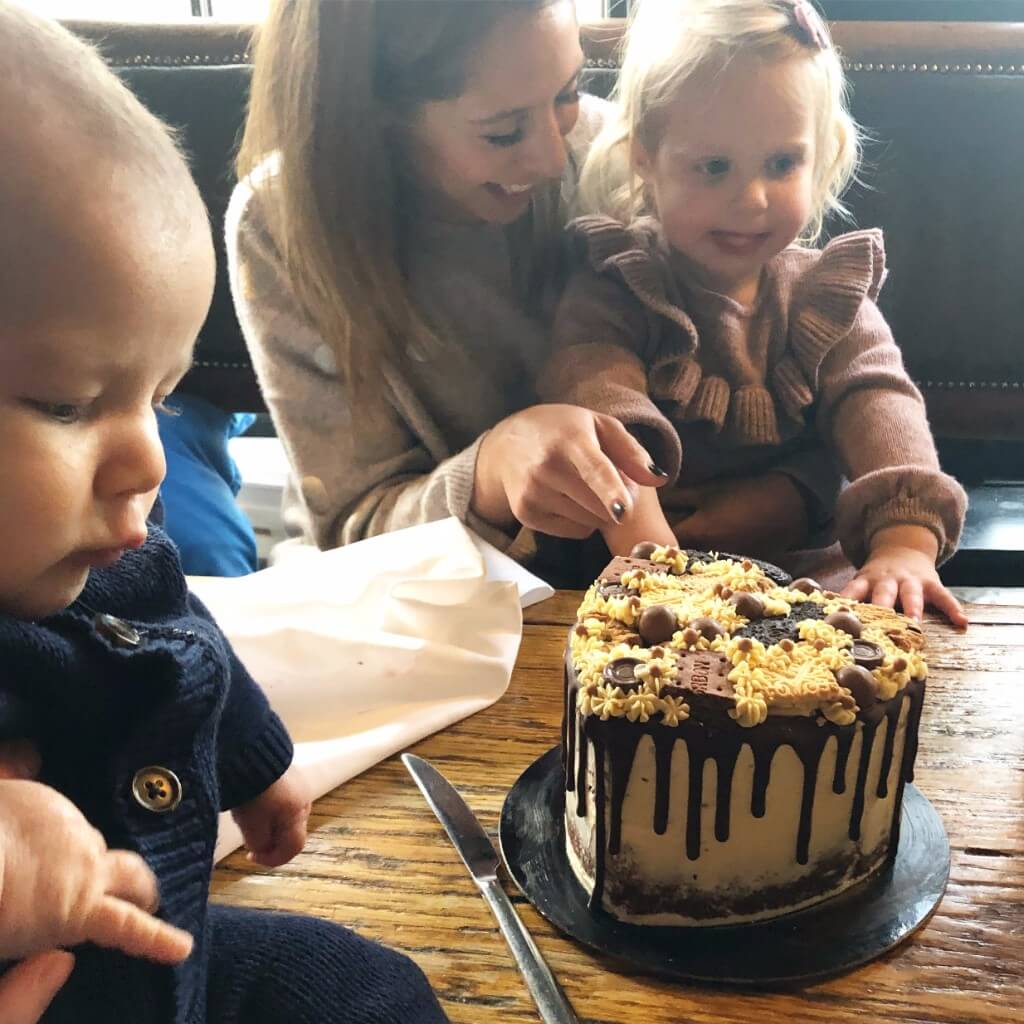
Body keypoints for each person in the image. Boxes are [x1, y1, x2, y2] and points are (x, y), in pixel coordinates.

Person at [0, 5, 449, 1021]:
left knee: (366, 989)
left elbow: (182, 631)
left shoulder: (106, 560)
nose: (146, 460)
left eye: (157, 397)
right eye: (69, 403)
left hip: (169, 958)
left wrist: (257, 762)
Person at [227, 0, 817, 586]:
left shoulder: (623, 152)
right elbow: (349, 528)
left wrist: (796, 491)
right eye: (503, 132)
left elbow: (789, 361)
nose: (554, 158)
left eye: (569, 91)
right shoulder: (282, 226)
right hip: (409, 601)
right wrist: (489, 474)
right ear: (370, 119)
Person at [541, 0, 968, 623]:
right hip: (632, 579)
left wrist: (904, 543)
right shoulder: (616, 283)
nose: (751, 199)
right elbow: (599, 402)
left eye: (781, 163)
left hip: (808, 589)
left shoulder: (827, 293)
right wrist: (654, 554)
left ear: (824, 153)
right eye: (714, 167)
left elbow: (879, 401)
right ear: (644, 155)